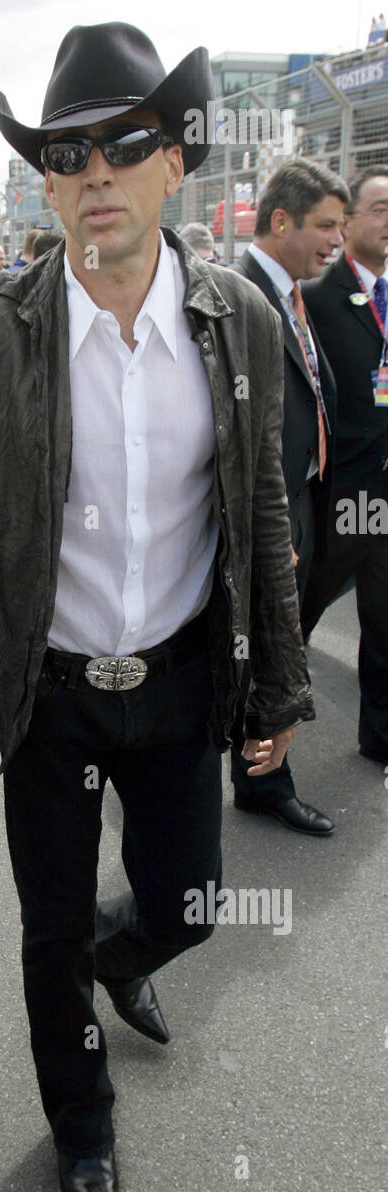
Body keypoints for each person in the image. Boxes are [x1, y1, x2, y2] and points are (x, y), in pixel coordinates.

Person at [0, 21, 314, 1192]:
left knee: (188, 902)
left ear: (173, 161)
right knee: (43, 931)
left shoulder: (234, 318)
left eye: (122, 146)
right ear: (44, 180)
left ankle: (118, 953)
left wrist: (279, 683)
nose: (94, 174)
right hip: (51, 693)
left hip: (184, 678)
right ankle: (78, 1127)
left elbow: (262, 507)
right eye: (65, 153)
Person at [230, 158, 347, 833]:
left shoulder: (295, 297)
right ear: (282, 222)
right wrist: (273, 534)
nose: (336, 238)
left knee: (273, 648)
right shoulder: (242, 295)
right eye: (325, 226)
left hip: (301, 503)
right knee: (265, 648)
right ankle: (263, 782)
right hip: (267, 514)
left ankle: (257, 776)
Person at [302, 164, 388, 766]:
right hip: (339, 494)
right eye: (379, 208)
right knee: (293, 615)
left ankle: (380, 736)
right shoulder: (314, 297)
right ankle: (239, 733)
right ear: (349, 220)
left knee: (384, 622)